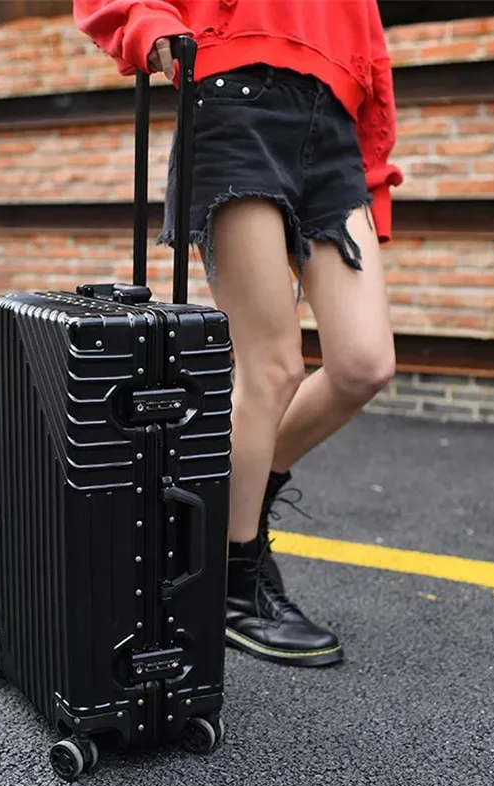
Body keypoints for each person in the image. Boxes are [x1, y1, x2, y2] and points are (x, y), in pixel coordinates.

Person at [73, 0, 403, 668]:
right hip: (233, 102)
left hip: (335, 131)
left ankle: (220, 508)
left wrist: (372, 168)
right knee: (273, 367)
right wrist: (145, 24)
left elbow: (367, 43)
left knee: (364, 364)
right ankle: (234, 584)